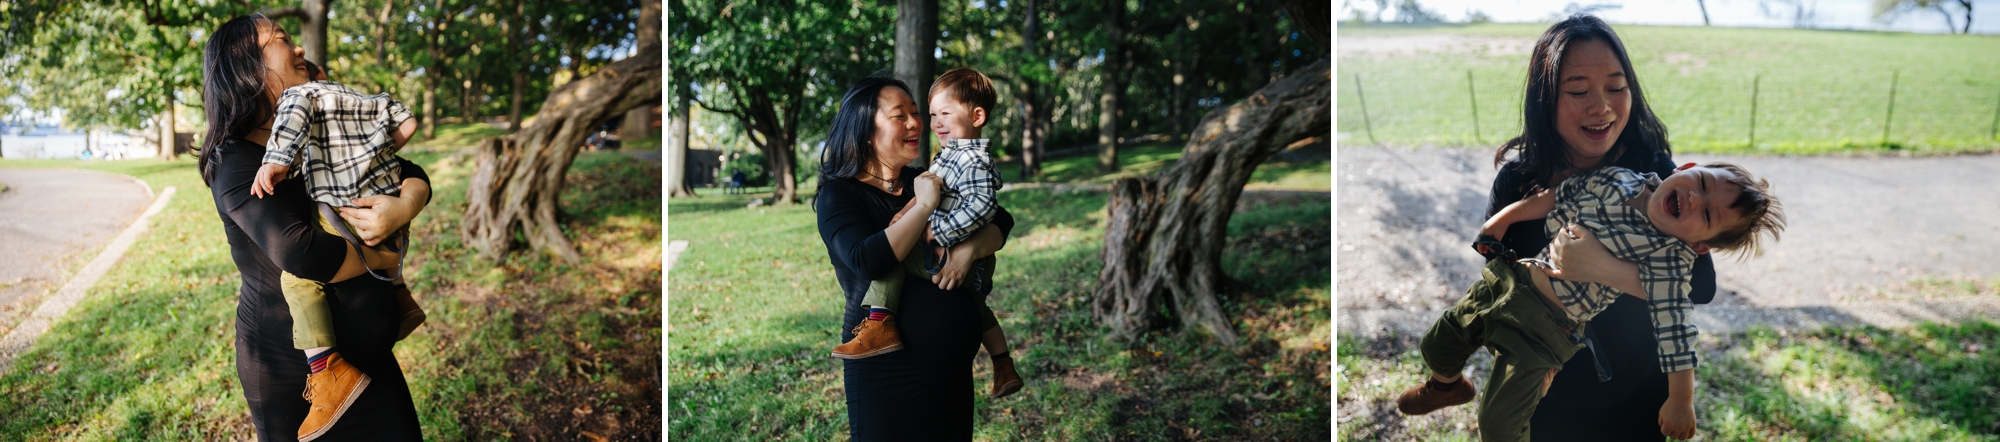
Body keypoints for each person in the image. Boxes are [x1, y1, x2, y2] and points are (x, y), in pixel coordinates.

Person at [1398, 162, 1785, 441]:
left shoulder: (1669, 259)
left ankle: (1525, 394)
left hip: (1546, 331)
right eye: (1700, 182)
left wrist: (1681, 400)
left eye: (1707, 213)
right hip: (1510, 281)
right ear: (1686, 167)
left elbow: (1677, 330)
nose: (1693, 197)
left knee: (1497, 425)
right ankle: (1446, 387)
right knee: (1436, 345)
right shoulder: (1619, 178)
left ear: (1700, 245)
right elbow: (1556, 197)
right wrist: (1504, 219)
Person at [200, 14, 430, 441]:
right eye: (283, 40)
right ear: (245, 63)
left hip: (370, 363)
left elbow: (408, 169)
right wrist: (385, 254)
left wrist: (403, 208)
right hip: (298, 380)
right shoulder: (235, 162)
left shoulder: (323, 125)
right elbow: (300, 252)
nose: (300, 49)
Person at [815, 76, 1016, 440]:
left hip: (951, 374)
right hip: (888, 377)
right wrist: (923, 206)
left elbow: (1000, 217)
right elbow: (868, 260)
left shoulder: (928, 176)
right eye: (899, 115)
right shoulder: (840, 196)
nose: (916, 123)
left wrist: (969, 251)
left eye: (915, 112)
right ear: (864, 128)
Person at [248, 59, 428, 439]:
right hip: (384, 193)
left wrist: (276, 163)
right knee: (380, 242)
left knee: (298, 281)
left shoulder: (302, 96)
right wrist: (372, 155)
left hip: (344, 205)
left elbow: (292, 125)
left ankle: (327, 369)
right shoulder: (365, 99)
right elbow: (409, 126)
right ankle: (402, 300)